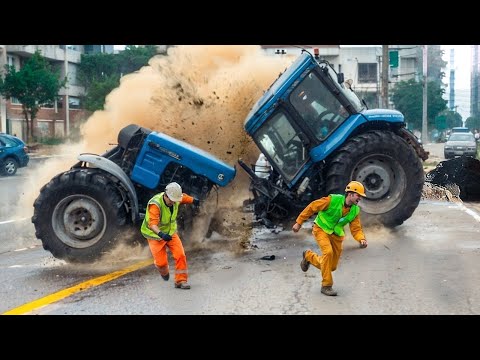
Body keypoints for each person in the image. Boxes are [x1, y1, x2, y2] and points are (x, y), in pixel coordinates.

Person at [292, 180, 368, 296]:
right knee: (328, 253)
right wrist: (299, 222)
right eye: (358, 195)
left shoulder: (355, 211)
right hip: (321, 229)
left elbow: (356, 229)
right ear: (351, 194)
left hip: (336, 235)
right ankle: (326, 285)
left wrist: (361, 239)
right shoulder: (332, 200)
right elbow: (312, 207)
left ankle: (309, 256)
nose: (360, 198)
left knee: (331, 266)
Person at [140, 182, 200, 290]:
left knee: (180, 255)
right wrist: (161, 234)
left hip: (171, 233)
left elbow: (184, 198)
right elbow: (152, 224)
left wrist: (194, 200)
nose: (173, 203)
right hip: (155, 236)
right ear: (166, 195)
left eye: (175, 201)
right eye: (171, 200)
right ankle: (164, 272)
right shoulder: (155, 204)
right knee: (161, 263)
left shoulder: (175, 198)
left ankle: (181, 280)